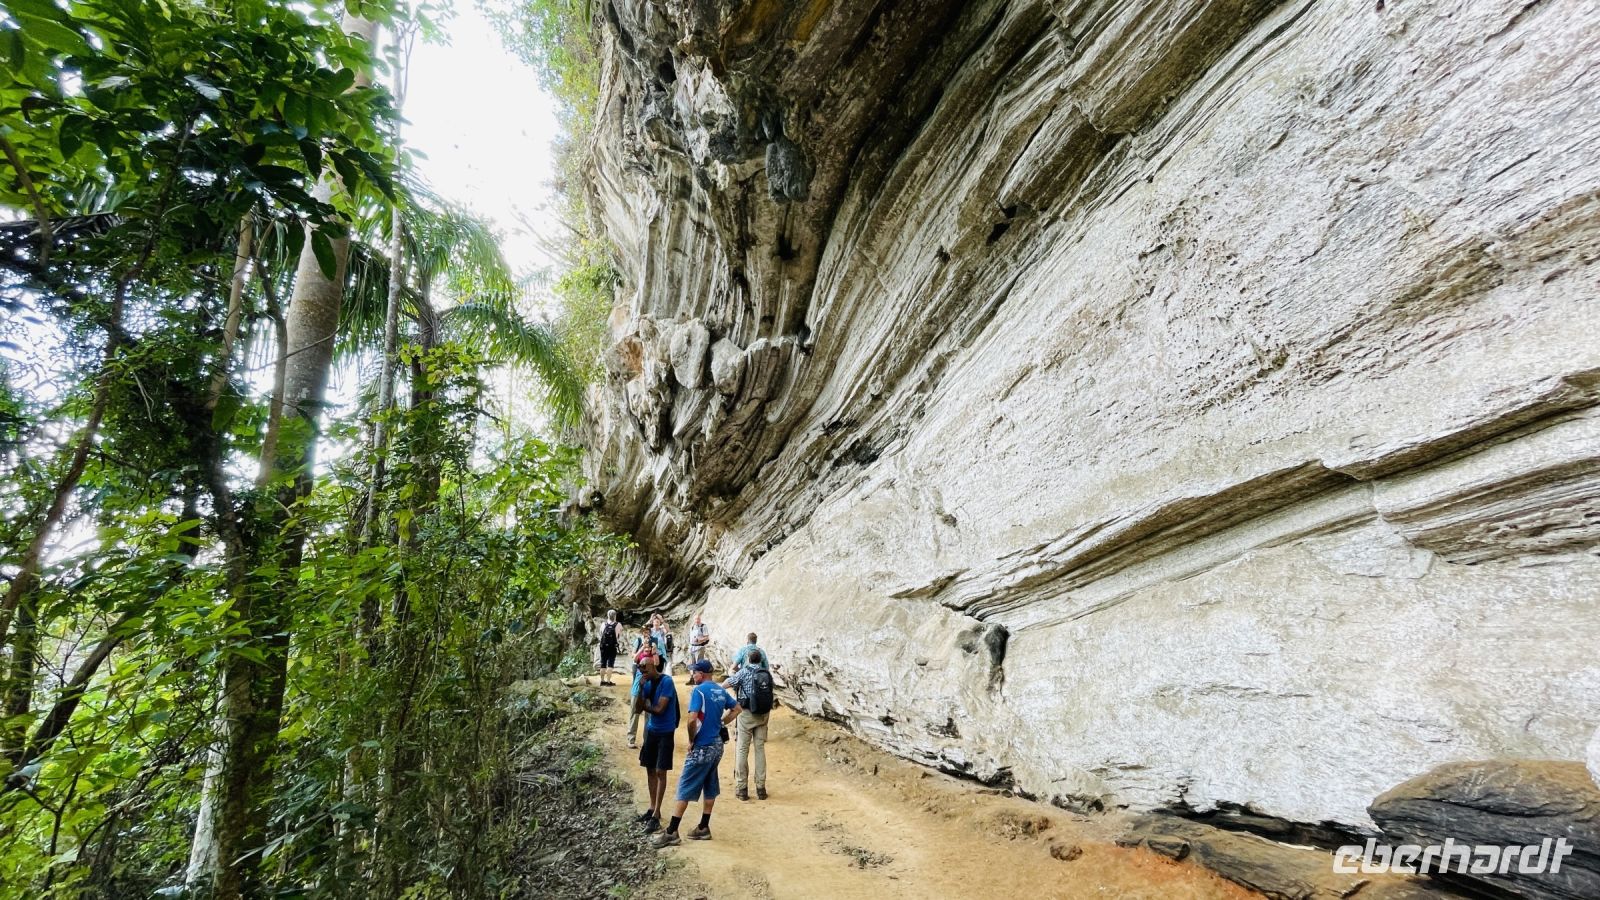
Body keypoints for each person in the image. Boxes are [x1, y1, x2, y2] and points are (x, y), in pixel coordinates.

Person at [653, 659, 737, 847]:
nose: (692, 675)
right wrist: (722, 723)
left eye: (694, 672)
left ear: (702, 673)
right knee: (710, 783)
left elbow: (692, 719)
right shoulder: (720, 690)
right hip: (717, 745)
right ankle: (703, 827)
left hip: (702, 745)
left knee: (685, 785)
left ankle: (672, 831)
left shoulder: (698, 691)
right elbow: (737, 708)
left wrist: (691, 740)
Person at [634, 651, 678, 834]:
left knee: (661, 771)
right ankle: (652, 808)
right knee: (650, 769)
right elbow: (637, 709)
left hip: (665, 732)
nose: (642, 670)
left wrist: (646, 705)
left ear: (653, 666)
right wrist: (639, 689)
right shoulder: (646, 683)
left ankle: (657, 813)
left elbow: (660, 709)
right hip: (652, 731)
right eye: (640, 667)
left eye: (645, 667)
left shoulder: (667, 682)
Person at [723, 648, 775, 800]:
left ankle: (742, 788)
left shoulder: (744, 672)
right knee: (760, 749)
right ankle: (761, 788)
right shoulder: (766, 673)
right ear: (760, 660)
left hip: (746, 714)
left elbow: (725, 684)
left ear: (748, 659)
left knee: (742, 749)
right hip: (763, 714)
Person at [626, 631, 657, 748]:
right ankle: (631, 739)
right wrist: (642, 648)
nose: (647, 649)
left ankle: (647, 741)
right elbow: (634, 658)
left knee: (649, 717)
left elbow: (657, 663)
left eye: (648, 648)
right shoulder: (640, 657)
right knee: (634, 713)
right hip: (637, 690)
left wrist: (654, 652)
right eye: (646, 648)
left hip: (649, 691)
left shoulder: (652, 656)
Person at [598, 610, 621, 686]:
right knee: (610, 663)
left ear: (607, 616)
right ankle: (608, 681)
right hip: (612, 646)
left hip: (603, 646)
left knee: (603, 663)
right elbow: (619, 635)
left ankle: (602, 681)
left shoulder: (603, 624)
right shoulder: (618, 625)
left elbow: (601, 634)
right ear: (615, 616)